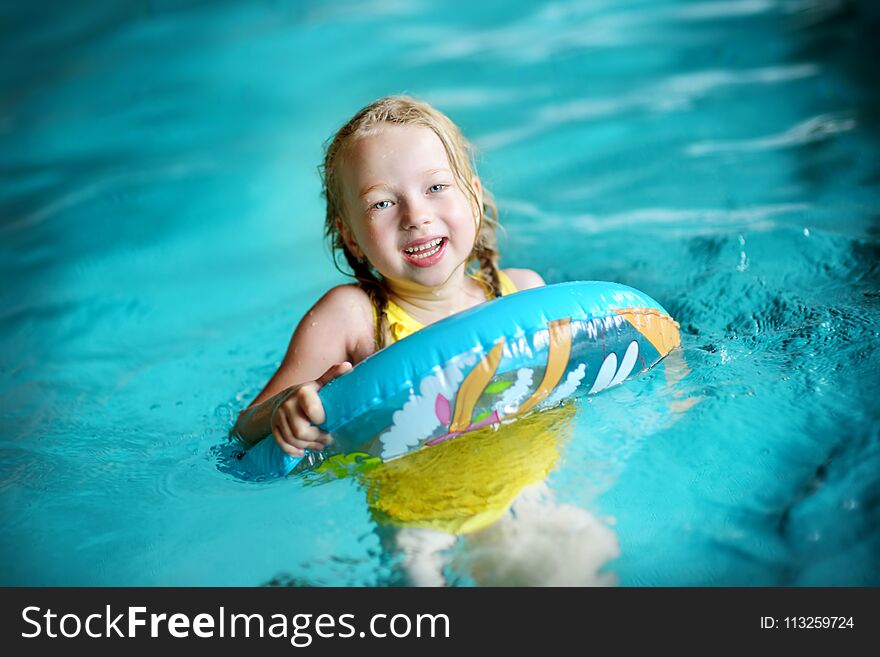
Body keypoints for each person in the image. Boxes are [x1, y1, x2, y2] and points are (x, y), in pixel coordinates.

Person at [233, 95, 618, 586]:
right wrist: (288, 406)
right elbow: (244, 433)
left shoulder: (522, 293)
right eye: (382, 203)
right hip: (416, 519)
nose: (416, 215)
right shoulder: (350, 317)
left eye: (436, 187)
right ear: (350, 236)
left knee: (584, 564)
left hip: (527, 489)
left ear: (473, 197)